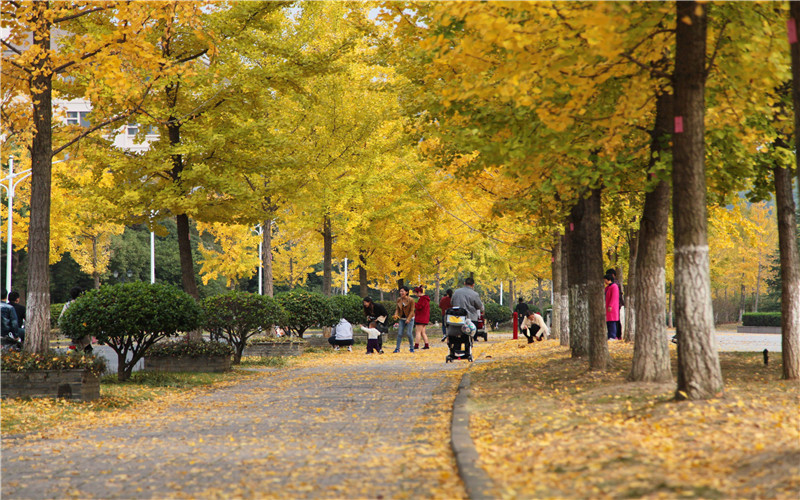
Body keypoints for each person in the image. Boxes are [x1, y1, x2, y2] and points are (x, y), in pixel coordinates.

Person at [61, 286, 91, 353]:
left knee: (76, 344)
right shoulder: (83, 304)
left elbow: (61, 318)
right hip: (83, 330)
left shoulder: (67, 305)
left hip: (72, 331)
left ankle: (71, 356)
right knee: (86, 346)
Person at [393, 286, 415, 353]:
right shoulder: (399, 299)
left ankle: (411, 348)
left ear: (406, 292)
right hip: (402, 319)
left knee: (409, 333)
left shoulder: (411, 300)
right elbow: (397, 309)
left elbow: (412, 311)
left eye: (403, 291)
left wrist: (408, 319)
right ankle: (397, 348)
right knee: (399, 333)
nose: (401, 293)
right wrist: (396, 314)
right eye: (400, 291)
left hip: (410, 319)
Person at [606, 268, 624, 338]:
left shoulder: (614, 284)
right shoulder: (614, 283)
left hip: (616, 304)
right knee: (615, 320)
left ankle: (616, 335)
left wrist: (611, 305)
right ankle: (615, 335)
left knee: (615, 320)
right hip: (616, 303)